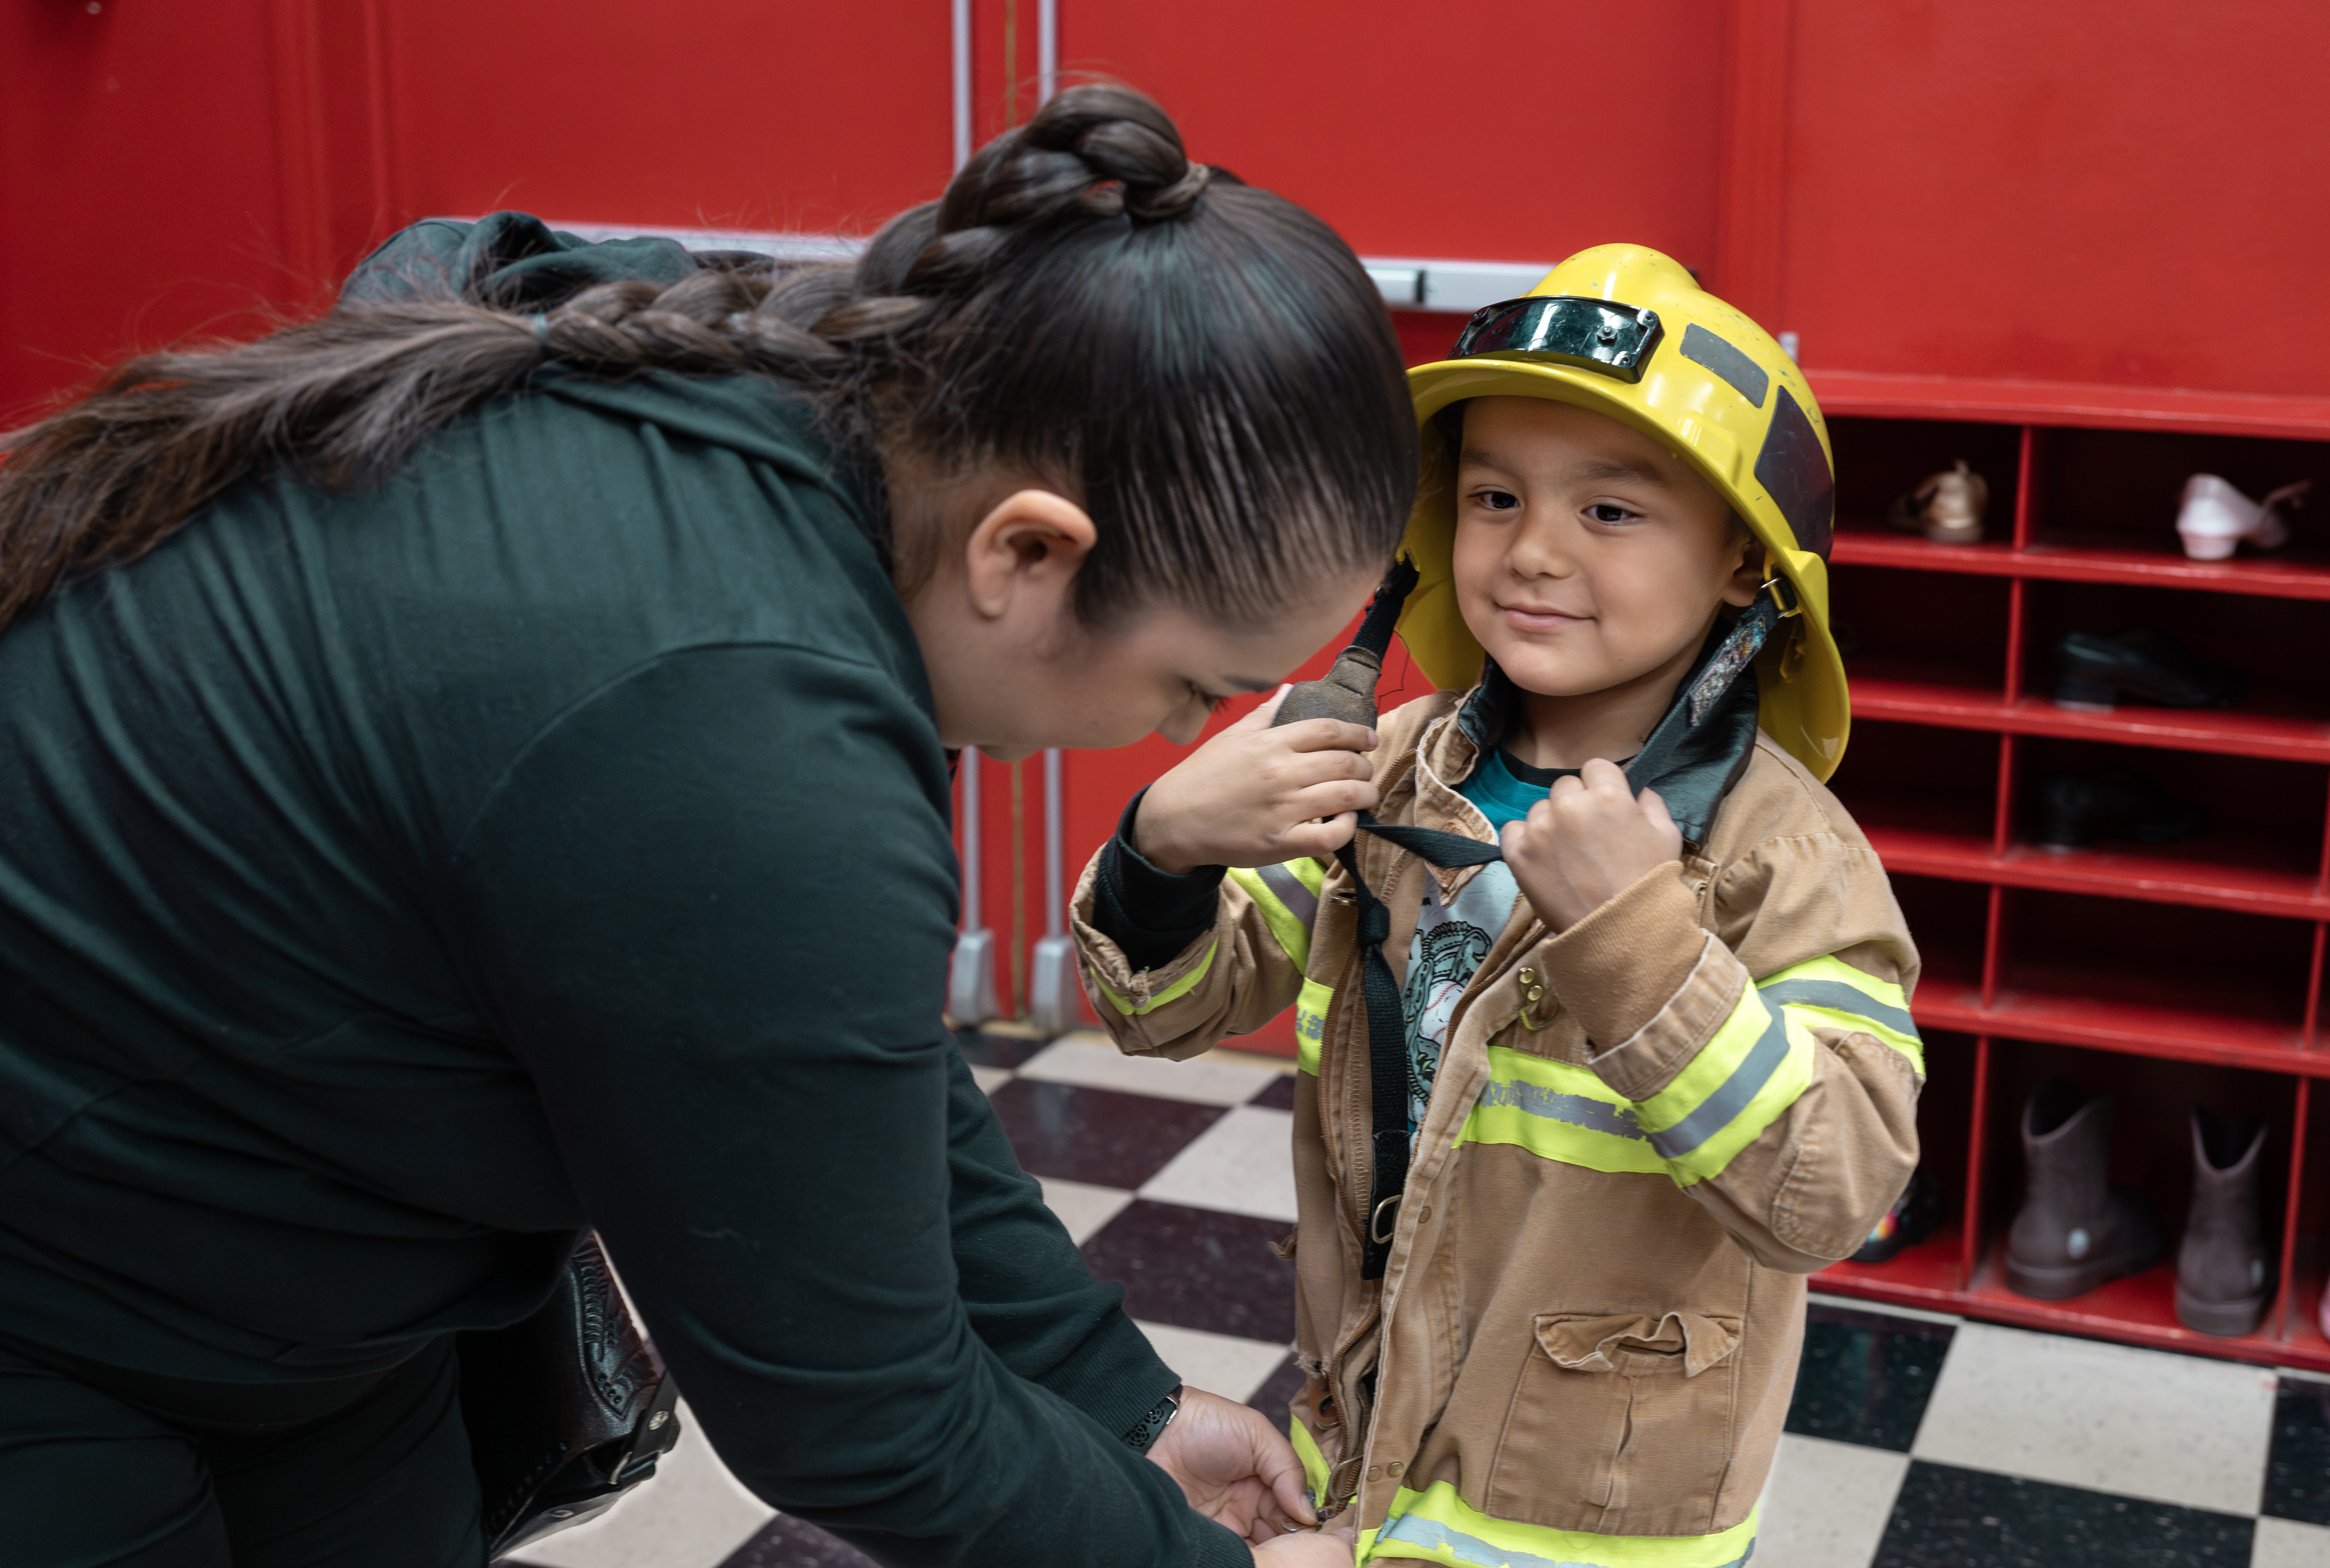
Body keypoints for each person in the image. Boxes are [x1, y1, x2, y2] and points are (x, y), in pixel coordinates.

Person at [0, 87, 1412, 1568]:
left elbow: (815, 1052)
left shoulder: (805, 418)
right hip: (61, 1299)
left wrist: (1114, 1395)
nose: (1182, 731)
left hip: (305, 1271)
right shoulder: (728, 721)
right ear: (1028, 550)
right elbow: (859, 1411)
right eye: (1190, 682)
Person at [1071, 246, 1923, 1567]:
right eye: (1491, 493)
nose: (1530, 549)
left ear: (1743, 566)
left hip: (1585, 1522)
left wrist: (1637, 945)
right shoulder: (1387, 765)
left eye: (1611, 511)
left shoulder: (1783, 856)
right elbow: (1171, 1011)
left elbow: (1829, 1189)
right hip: (1354, 1440)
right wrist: (1162, 847)